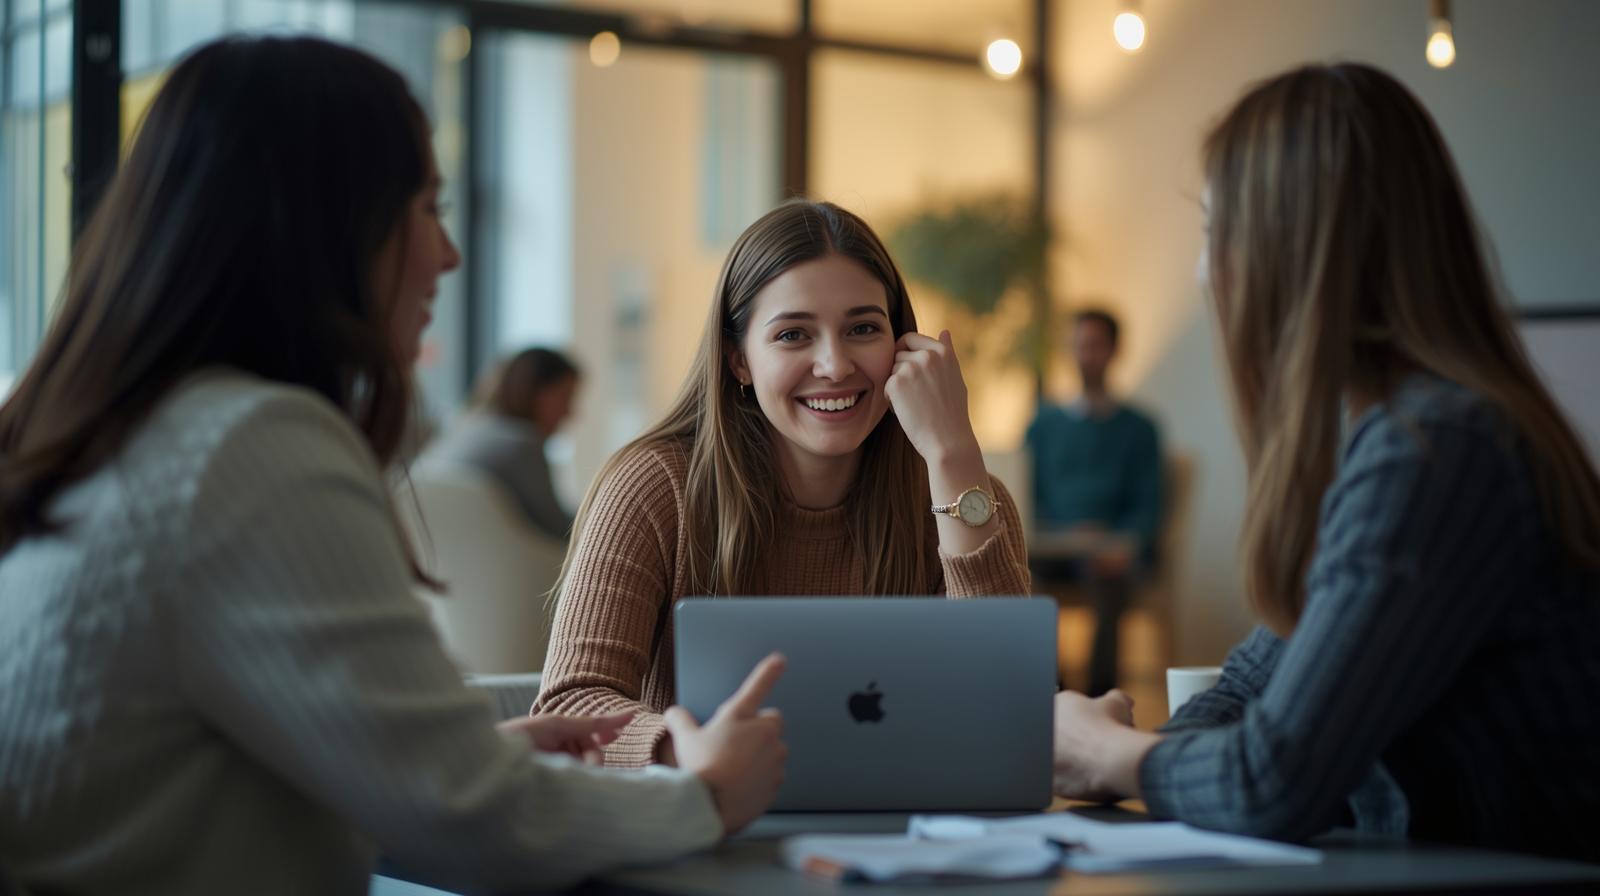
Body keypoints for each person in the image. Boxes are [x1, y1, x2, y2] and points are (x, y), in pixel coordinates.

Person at [0, 36, 787, 895]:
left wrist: (458, 758)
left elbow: (206, 765)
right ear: (326, 224)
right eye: (426, 209)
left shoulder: (125, 432)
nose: (447, 255)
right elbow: (471, 821)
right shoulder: (247, 451)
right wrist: (705, 799)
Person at [1049, 62, 1600, 861]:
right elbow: (1248, 686)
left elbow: (1274, 781)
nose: (1205, 273)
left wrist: (1110, 755)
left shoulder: (1435, 453)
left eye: (1212, 230)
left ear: (1288, 248)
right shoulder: (1397, 437)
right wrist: (1153, 756)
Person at [533, 199, 1031, 767]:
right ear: (738, 360)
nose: (835, 365)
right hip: (709, 831)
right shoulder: (653, 486)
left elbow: (1012, 711)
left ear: (902, 346)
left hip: (914, 837)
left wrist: (953, 454)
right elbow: (570, 706)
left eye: (863, 328)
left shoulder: (962, 493)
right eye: (794, 335)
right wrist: (686, 750)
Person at [1026, 308, 1164, 695]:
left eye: (1095, 345)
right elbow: (1026, 496)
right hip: (1053, 553)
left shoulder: (1140, 429)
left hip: (1113, 556)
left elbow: (1150, 503)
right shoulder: (1043, 428)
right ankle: (1053, 694)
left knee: (1109, 580)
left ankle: (1102, 696)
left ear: (1115, 350)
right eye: (1079, 345)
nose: (1086, 355)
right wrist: (1059, 535)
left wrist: (1122, 542)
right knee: (1021, 581)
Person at [423, 346, 581, 539]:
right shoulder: (523, 446)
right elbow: (562, 531)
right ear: (536, 393)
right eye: (566, 398)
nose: (570, 413)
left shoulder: (460, 429)